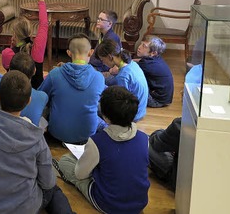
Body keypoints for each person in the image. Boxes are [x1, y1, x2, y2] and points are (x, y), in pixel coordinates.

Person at [0, 71, 74, 214]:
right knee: (54, 189)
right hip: (26, 207)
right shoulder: (36, 136)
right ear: (28, 101)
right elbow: (47, 182)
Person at [54, 86, 150, 214]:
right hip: (139, 203)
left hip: (108, 204)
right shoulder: (144, 138)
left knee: (65, 161)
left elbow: (80, 174)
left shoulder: (97, 141)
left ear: (105, 117)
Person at [39, 33, 106, 144]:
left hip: (57, 133)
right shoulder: (99, 78)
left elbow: (40, 97)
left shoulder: (55, 74)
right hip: (87, 136)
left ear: (69, 53)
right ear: (91, 52)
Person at [1, 0, 48, 88]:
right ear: (30, 33)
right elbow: (44, 24)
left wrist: (12, 45)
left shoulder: (8, 53)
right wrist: (41, 0)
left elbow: (7, 70)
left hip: (15, 93)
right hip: (37, 92)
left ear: (14, 35)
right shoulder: (37, 48)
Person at [0, 52, 49, 126]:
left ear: (9, 69)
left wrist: (10, 78)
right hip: (27, 134)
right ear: (34, 70)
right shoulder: (42, 97)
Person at [95, 39, 148, 121]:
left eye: (102, 60)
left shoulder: (123, 76)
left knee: (92, 106)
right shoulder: (131, 63)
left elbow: (121, 103)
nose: (102, 63)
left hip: (133, 114)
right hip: (141, 109)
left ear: (110, 57)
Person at [136, 35, 174, 108]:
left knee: (130, 77)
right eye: (141, 44)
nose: (139, 47)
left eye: (144, 46)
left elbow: (129, 67)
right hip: (165, 99)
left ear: (153, 53)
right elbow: (140, 61)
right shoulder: (155, 59)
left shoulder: (147, 65)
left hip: (156, 101)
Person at [148, 117, 182, 192]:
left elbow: (157, 143)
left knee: (143, 141)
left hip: (179, 180)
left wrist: (159, 131)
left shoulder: (182, 124)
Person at [89, 10, 122, 79]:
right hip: (96, 63)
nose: (98, 21)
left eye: (101, 19)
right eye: (98, 18)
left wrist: (89, 60)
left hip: (103, 68)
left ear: (110, 24)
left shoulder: (111, 38)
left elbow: (105, 60)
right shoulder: (103, 34)